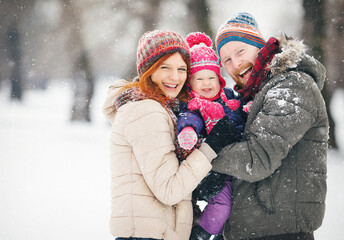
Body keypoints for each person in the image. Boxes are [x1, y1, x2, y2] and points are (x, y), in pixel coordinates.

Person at [198, 12, 328, 240]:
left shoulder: (292, 85)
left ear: (259, 46)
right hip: (254, 228)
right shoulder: (252, 97)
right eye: (226, 59)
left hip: (281, 232)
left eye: (240, 51)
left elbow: (257, 159)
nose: (235, 63)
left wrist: (203, 154)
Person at [102, 30, 237, 240]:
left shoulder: (162, 108)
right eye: (165, 67)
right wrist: (211, 147)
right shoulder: (147, 111)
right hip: (147, 235)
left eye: (182, 69)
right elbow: (169, 190)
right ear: (148, 70)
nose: (175, 77)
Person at [174, 32, 248, 240]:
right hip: (208, 167)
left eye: (211, 77)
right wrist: (188, 131)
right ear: (190, 83)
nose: (206, 83)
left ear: (219, 79)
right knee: (222, 205)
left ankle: (211, 230)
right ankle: (200, 234)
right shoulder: (193, 104)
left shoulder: (231, 100)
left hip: (232, 165)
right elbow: (189, 118)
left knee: (231, 206)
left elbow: (239, 117)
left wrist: (248, 110)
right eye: (199, 78)